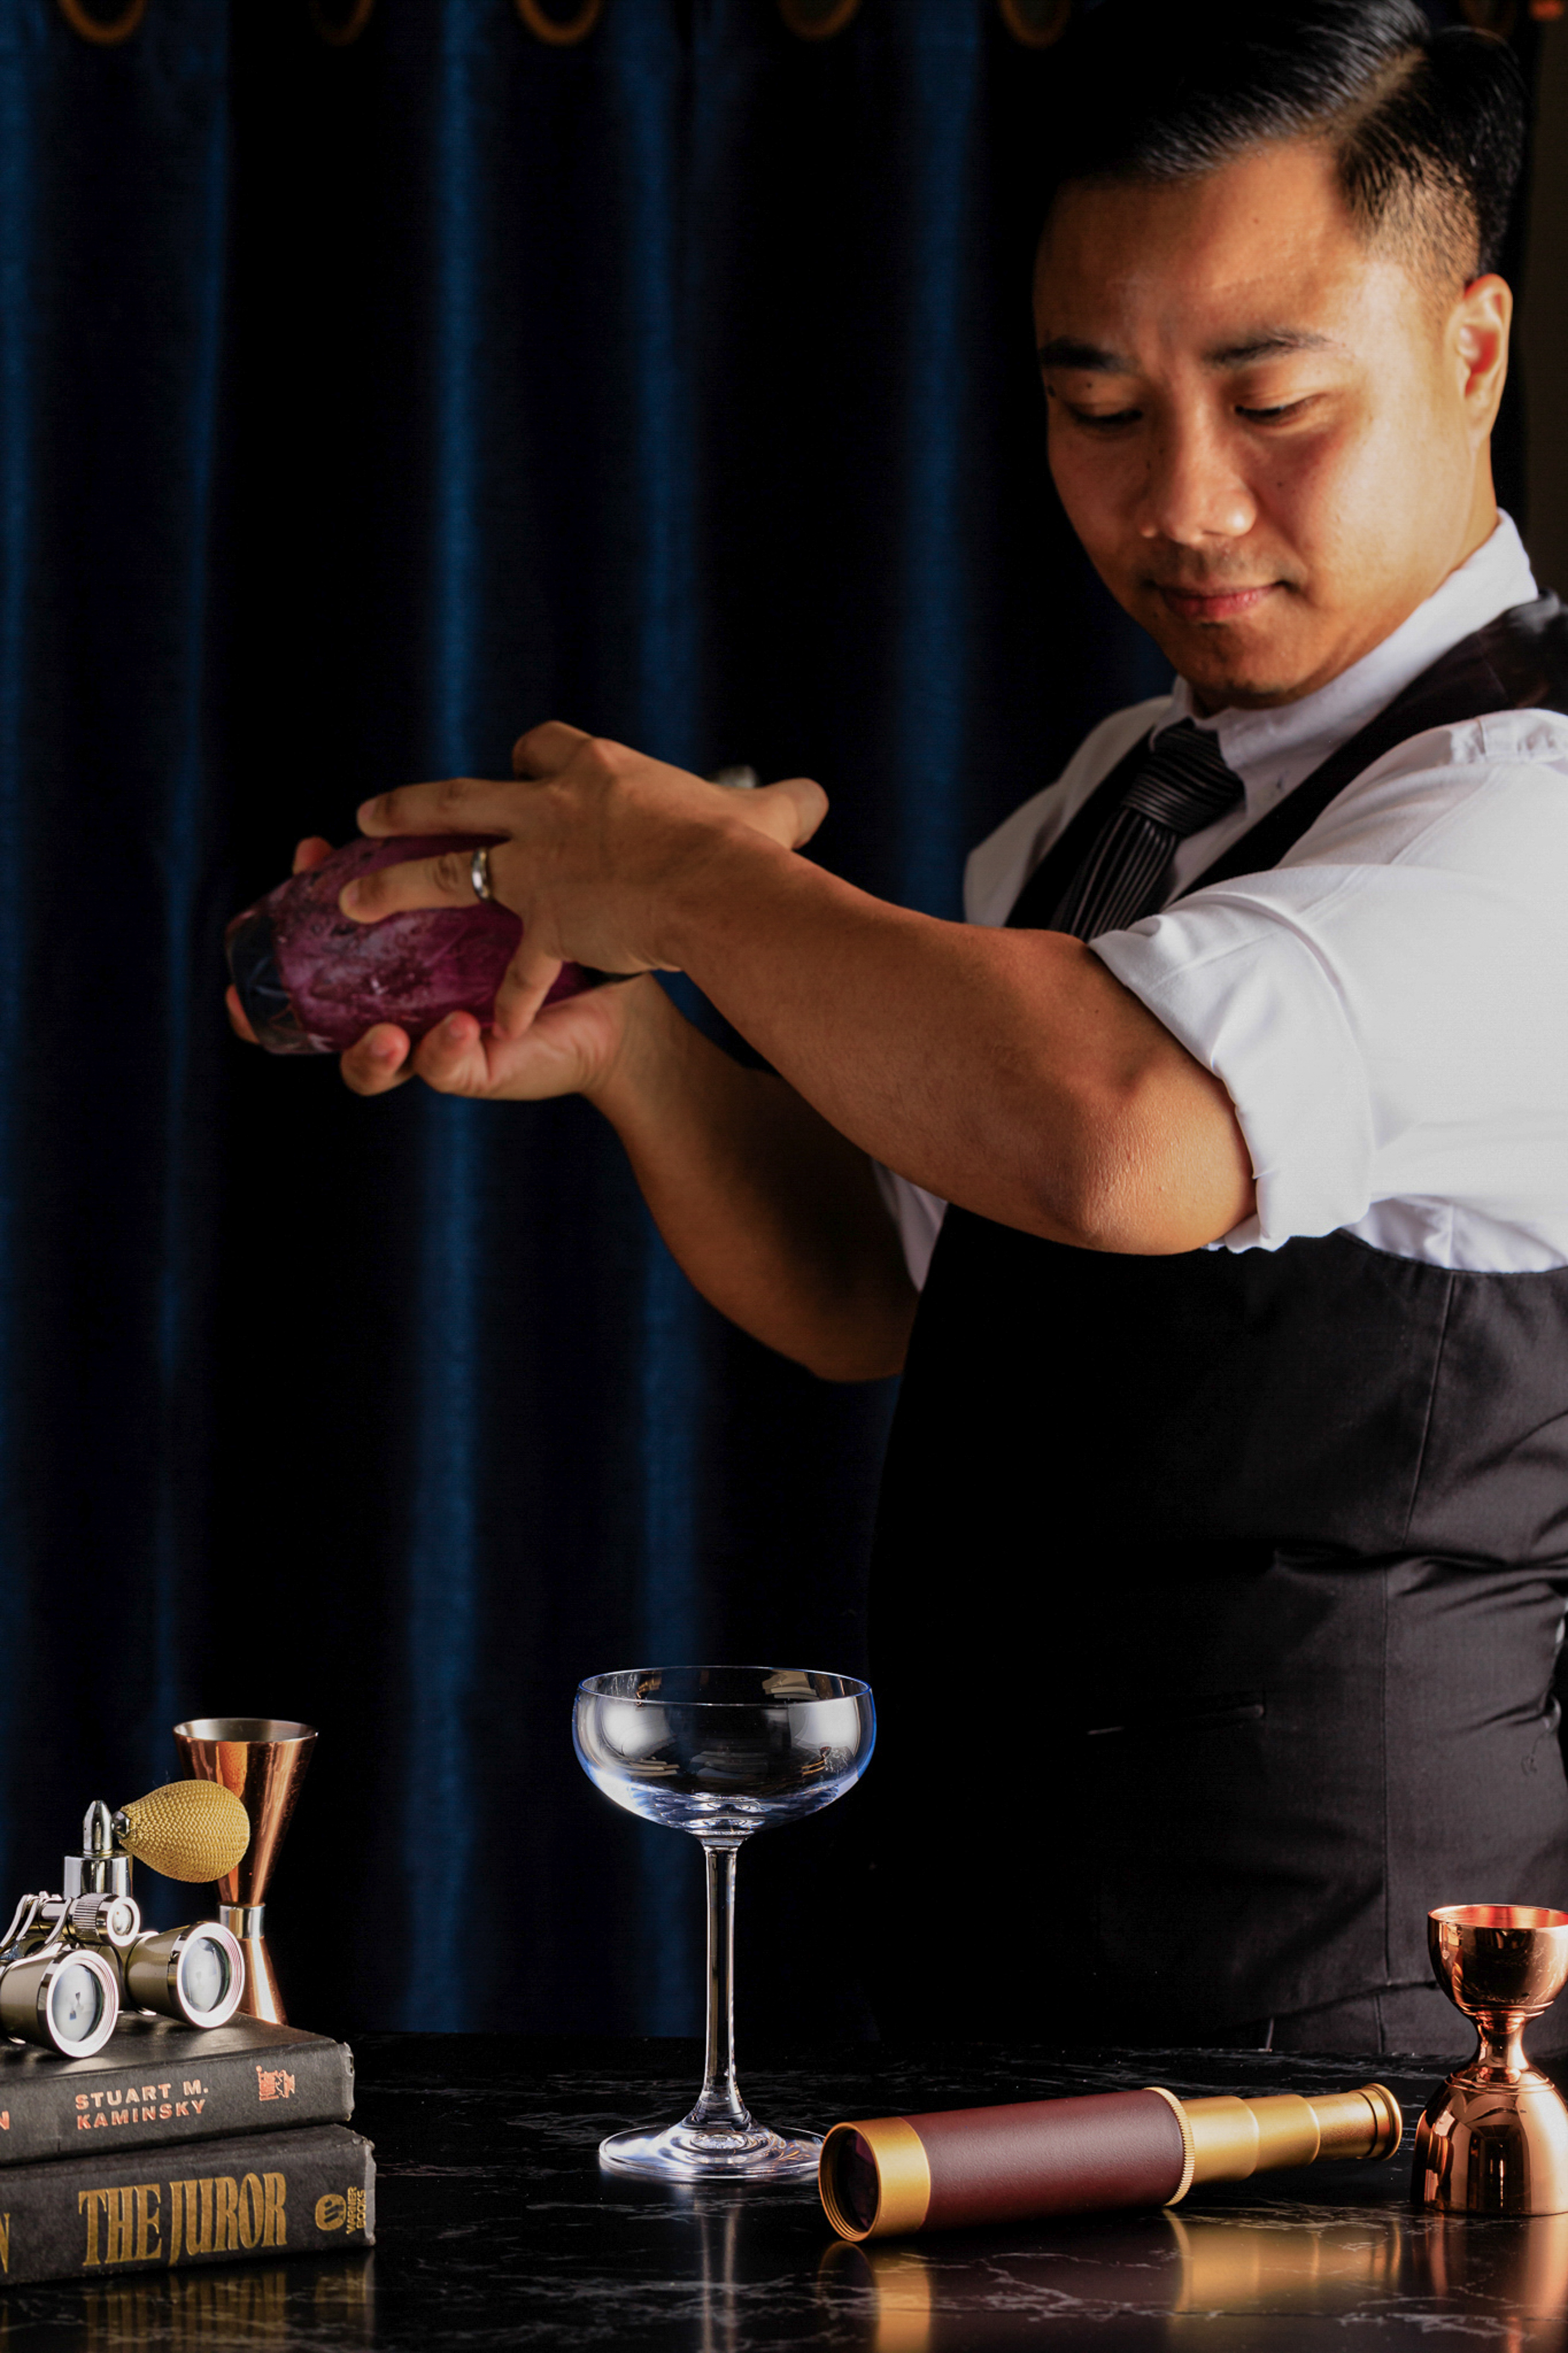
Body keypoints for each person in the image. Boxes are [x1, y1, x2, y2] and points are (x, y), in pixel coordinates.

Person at [234, 0, 1568, 2051]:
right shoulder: (1123, 788)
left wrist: (700, 884)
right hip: (988, 2012)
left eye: (1274, 397)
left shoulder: (1529, 816)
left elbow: (1115, 1132)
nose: (1184, 504)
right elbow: (887, 1267)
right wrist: (634, 1040)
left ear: (1470, 347)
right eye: (1097, 409)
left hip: (1353, 2065)